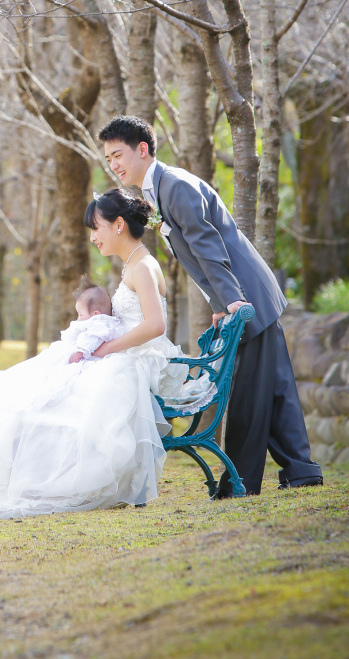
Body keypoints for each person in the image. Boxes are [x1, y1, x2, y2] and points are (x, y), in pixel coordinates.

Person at [0, 189, 187, 522]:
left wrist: (104, 349)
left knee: (53, 401)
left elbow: (155, 325)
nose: (93, 237)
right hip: (123, 355)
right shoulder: (133, 264)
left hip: (137, 362)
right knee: (33, 393)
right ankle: (35, 479)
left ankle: (50, 481)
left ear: (118, 224)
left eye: (97, 228)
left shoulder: (143, 266)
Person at [98, 114, 322, 497]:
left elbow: (208, 247)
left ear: (142, 149)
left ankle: (242, 482)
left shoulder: (175, 186)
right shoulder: (159, 191)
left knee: (251, 390)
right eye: (109, 159)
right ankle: (301, 470)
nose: (114, 164)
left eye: (118, 155)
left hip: (246, 294)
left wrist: (232, 300)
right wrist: (220, 303)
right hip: (240, 294)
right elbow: (199, 252)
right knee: (276, 386)